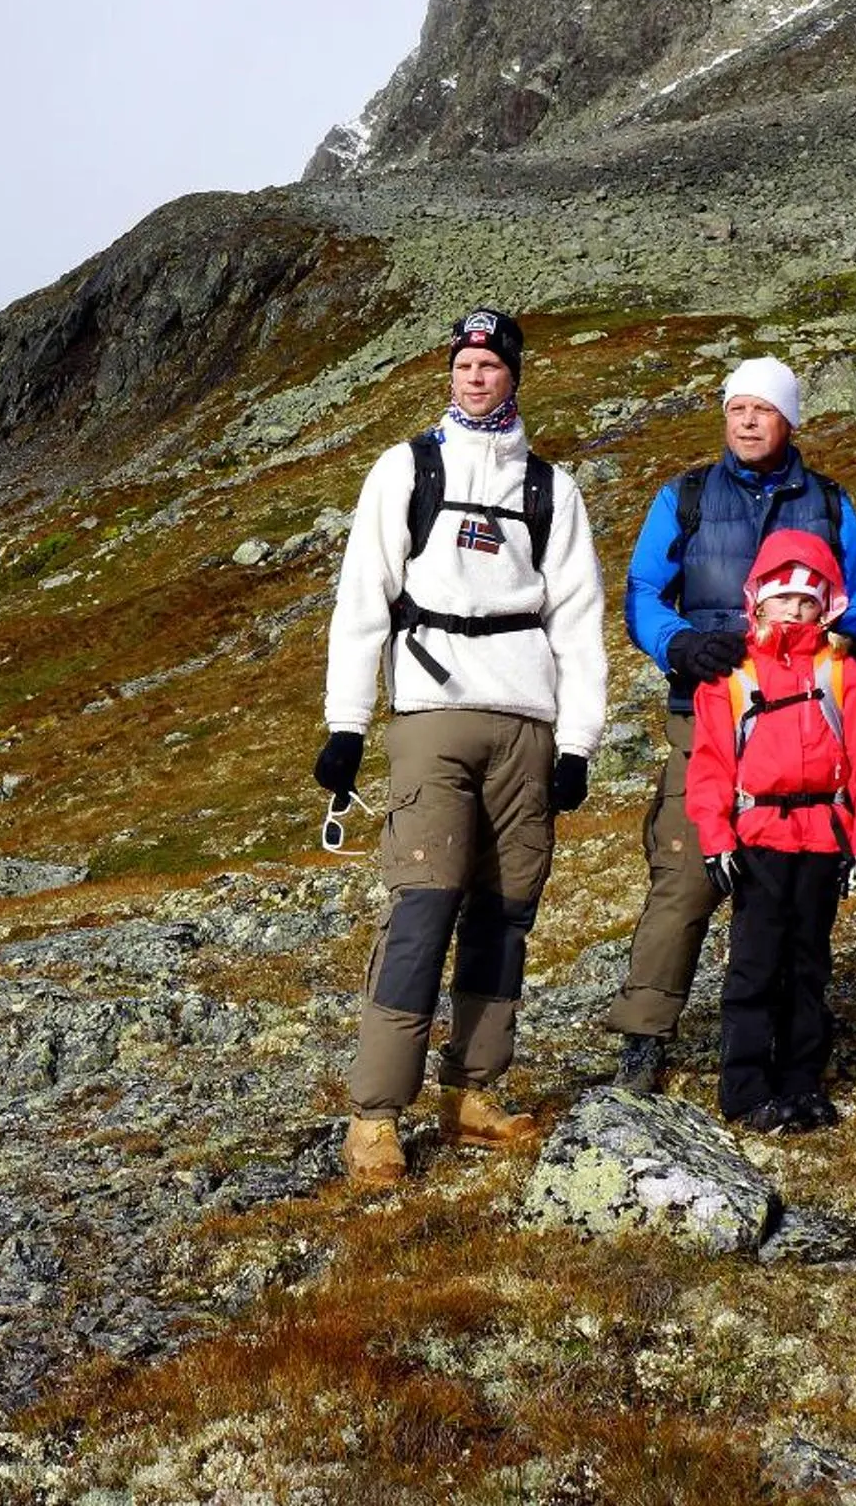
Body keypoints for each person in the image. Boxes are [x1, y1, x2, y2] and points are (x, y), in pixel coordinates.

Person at [315, 306, 608, 1188]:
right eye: (465, 363)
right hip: (432, 714)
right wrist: (345, 725)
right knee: (422, 907)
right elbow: (361, 600)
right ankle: (375, 1117)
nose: (476, 375)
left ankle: (474, 1092)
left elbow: (580, 622)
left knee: (506, 910)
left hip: (527, 720)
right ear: (450, 372)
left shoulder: (551, 489)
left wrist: (579, 741)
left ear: (516, 374)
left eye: (491, 363)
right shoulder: (405, 468)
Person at [603, 355, 856, 1094]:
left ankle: (787, 1045)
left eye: (764, 409)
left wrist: (847, 649)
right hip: (706, 714)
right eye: (737, 409)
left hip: (803, 727)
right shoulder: (686, 497)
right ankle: (645, 1035)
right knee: (688, 873)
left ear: (789, 418)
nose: (749, 421)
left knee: (793, 892)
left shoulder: (828, 503)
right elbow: (641, 591)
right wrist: (681, 644)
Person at [685, 529, 856, 1129]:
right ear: (759, 600)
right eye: (783, 597)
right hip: (757, 841)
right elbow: (709, 766)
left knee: (809, 964)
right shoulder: (729, 677)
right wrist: (716, 837)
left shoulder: (841, 674)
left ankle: (803, 1081)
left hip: (823, 837)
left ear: (826, 605)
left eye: (809, 599)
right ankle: (747, 1091)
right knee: (754, 964)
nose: (795, 609)